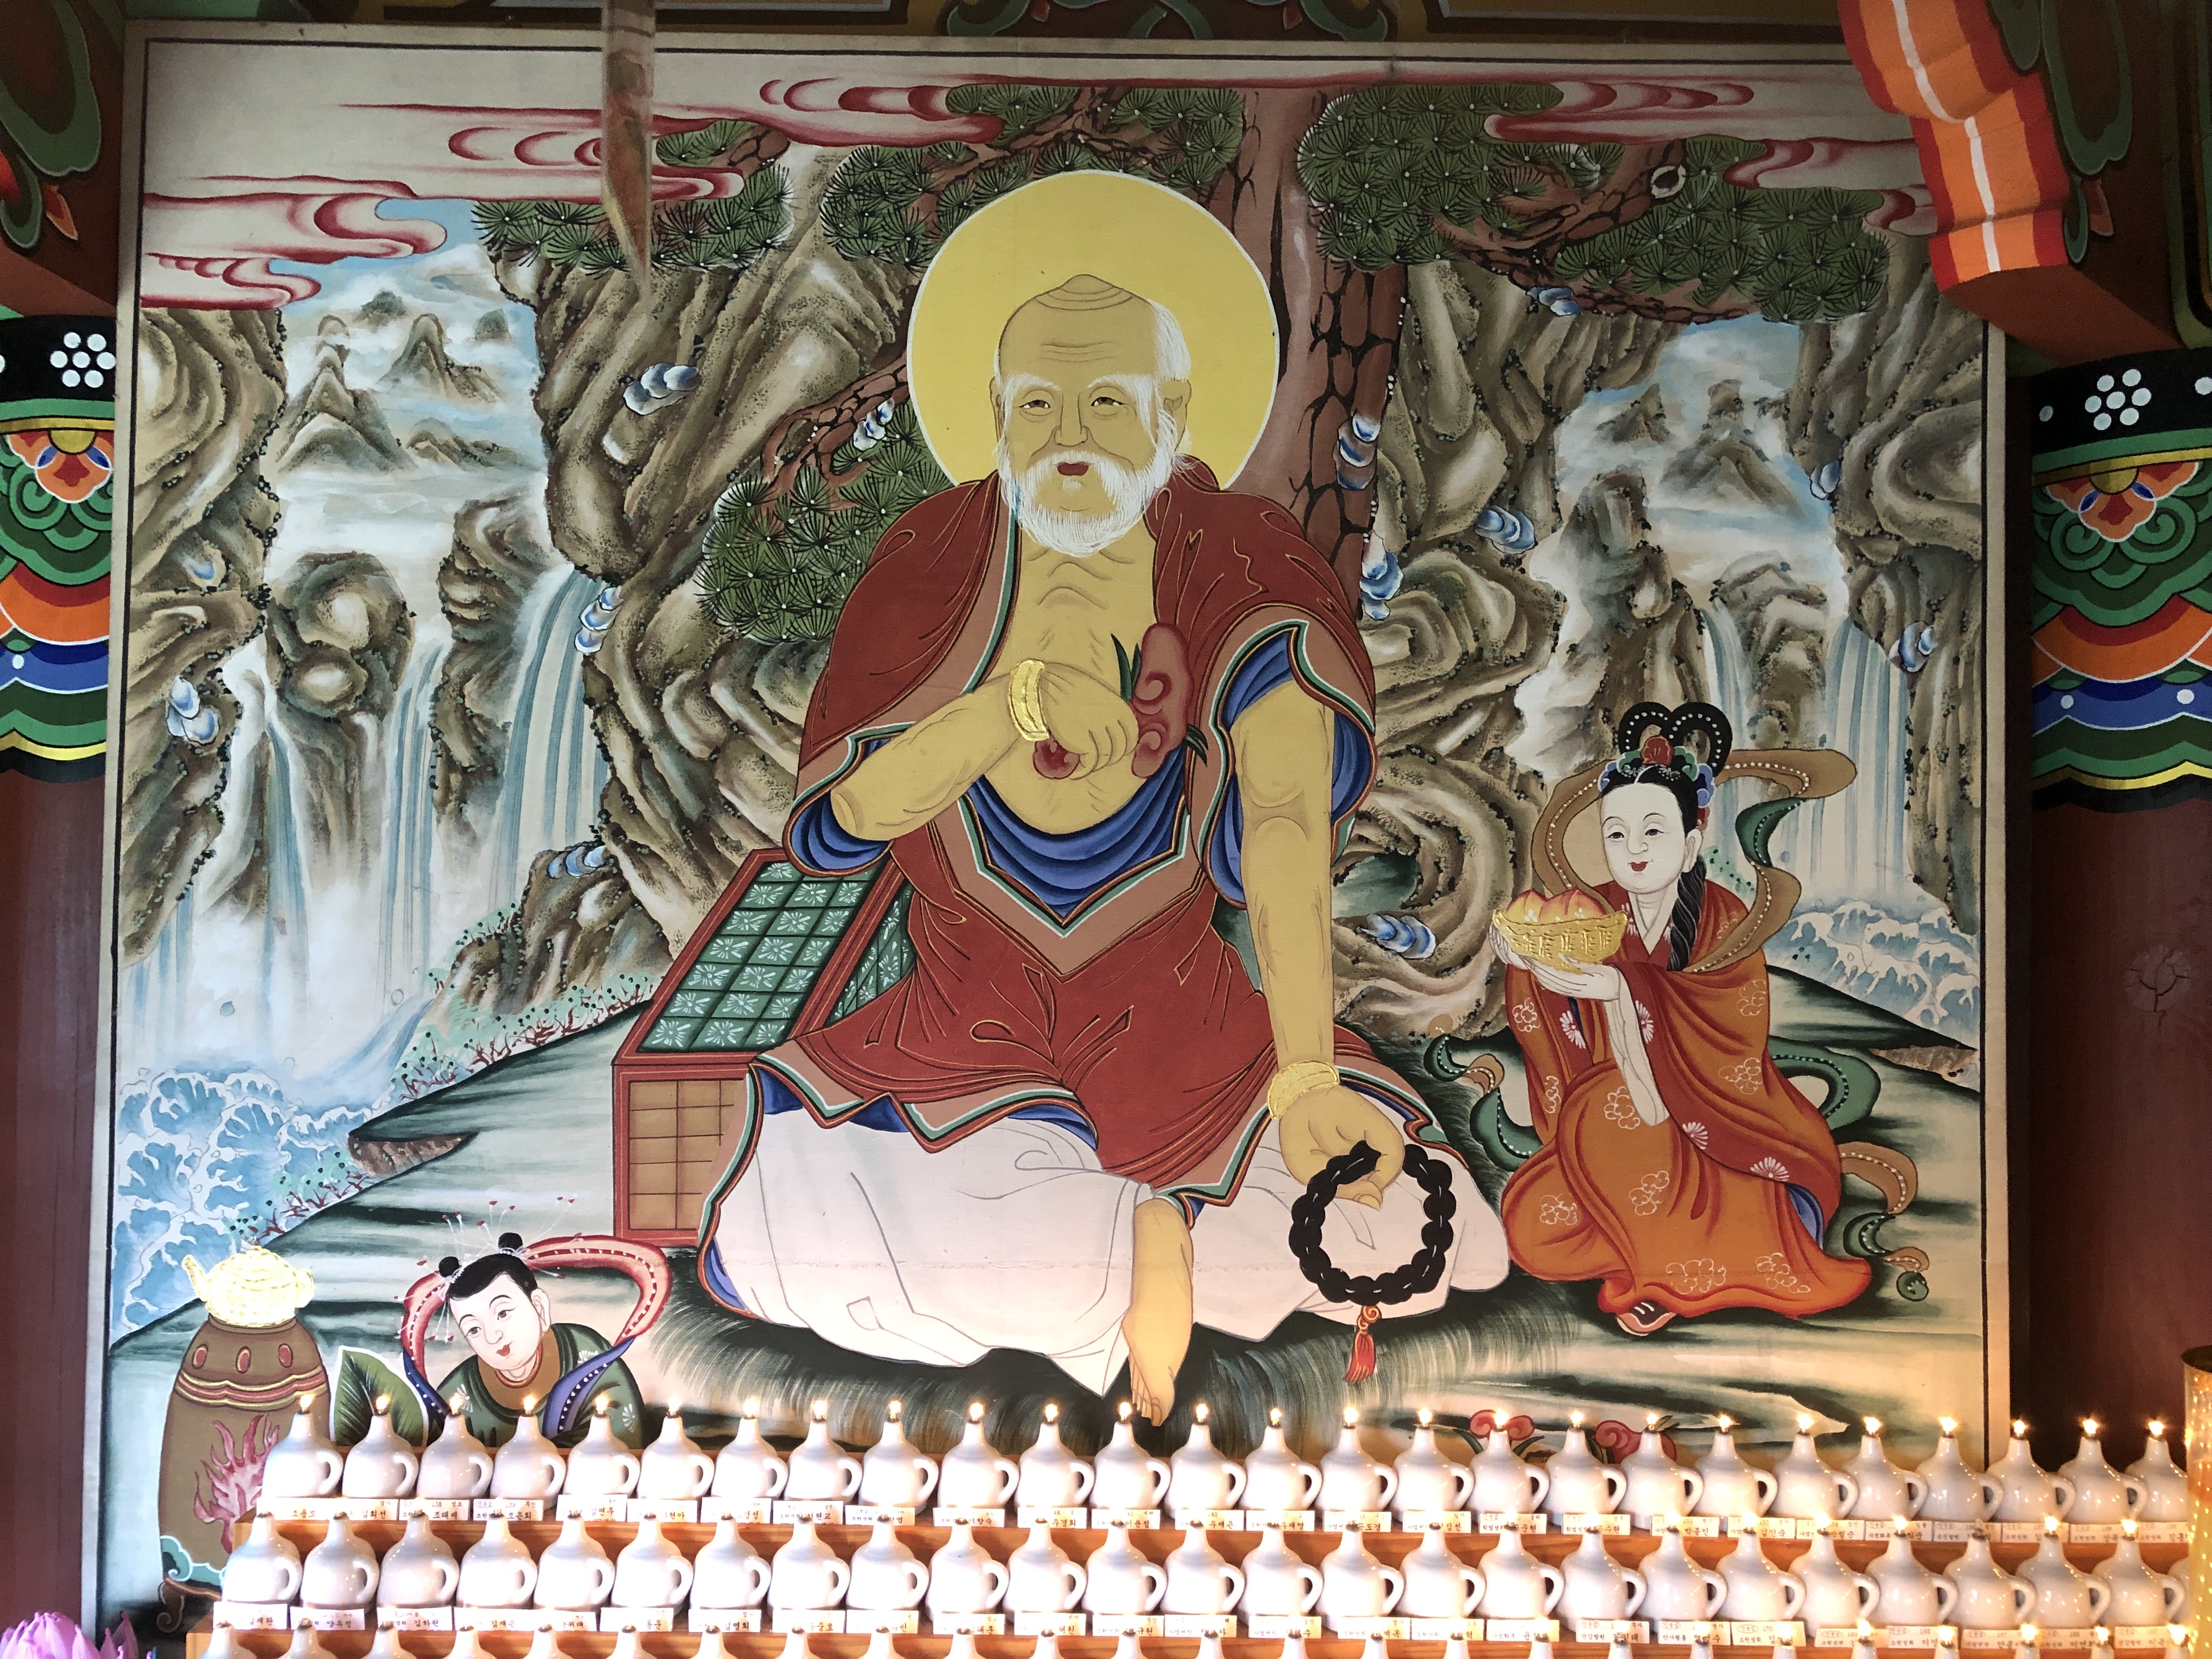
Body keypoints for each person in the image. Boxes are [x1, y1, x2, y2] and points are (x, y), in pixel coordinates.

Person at [701, 273, 1506, 1418]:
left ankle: (1135, 1229)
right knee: (810, 1224)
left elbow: (1283, 820)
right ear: (995, 414)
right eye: (1038, 403)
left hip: (1185, 1046)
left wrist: (1304, 1076)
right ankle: (1146, 1233)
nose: (1069, 435)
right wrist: (1006, 706)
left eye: (1108, 403)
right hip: (966, 1042)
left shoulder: (1233, 560)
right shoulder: (934, 558)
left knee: (1416, 1222)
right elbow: (845, 819)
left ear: (1172, 415)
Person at [1492, 702, 1872, 1336]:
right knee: (1530, 1224)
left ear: (1692, 843)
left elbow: (1728, 1050)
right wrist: (1527, 965)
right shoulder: (1589, 914)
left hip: (1715, 1134)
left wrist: (1622, 991)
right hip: (1615, 1145)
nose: (1634, 850)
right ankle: (1658, 1252)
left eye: (1653, 831)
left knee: (1611, 1109)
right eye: (1617, 834)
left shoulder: (1726, 925)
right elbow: (1563, 1019)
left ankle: (1666, 1270)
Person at [434, 1233, 643, 1446]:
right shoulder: (461, 1387)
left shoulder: (586, 1352)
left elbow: (623, 1429)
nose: (492, 1336)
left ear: (539, 1307)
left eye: (503, 1313)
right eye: (474, 1329)